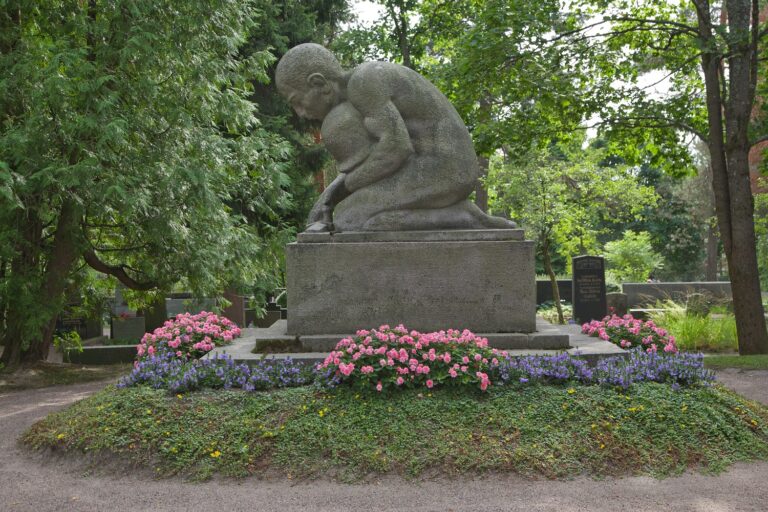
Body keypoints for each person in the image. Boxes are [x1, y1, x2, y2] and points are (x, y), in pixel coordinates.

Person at [275, 43, 516, 232]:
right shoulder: (357, 97)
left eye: (297, 101)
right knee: (350, 213)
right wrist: (329, 196)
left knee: (351, 217)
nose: (301, 113)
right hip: (424, 165)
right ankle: (462, 214)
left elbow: (396, 148)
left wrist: (345, 188)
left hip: (446, 169)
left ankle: (465, 217)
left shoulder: (364, 82)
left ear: (319, 83)